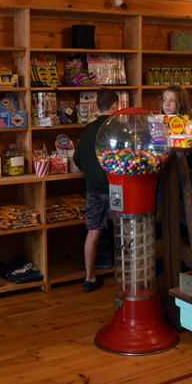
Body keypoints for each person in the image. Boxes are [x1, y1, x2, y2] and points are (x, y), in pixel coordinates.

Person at [73, 88, 119, 293]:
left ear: (97, 106)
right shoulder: (116, 128)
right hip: (115, 188)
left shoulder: (88, 129)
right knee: (123, 231)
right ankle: (124, 274)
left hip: (92, 190)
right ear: (115, 105)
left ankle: (90, 278)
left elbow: (76, 159)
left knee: (93, 232)